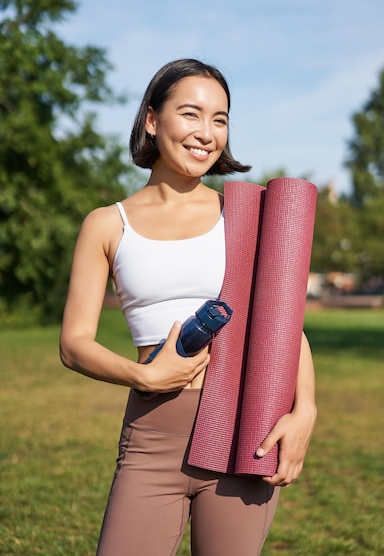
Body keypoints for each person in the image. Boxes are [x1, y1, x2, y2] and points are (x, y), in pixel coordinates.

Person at [59, 58, 317, 556]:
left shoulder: (244, 214)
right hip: (153, 433)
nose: (206, 132)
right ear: (152, 121)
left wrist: (304, 409)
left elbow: (285, 324)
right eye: (191, 114)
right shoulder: (106, 224)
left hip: (246, 425)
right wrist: (145, 378)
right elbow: (73, 345)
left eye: (219, 119)